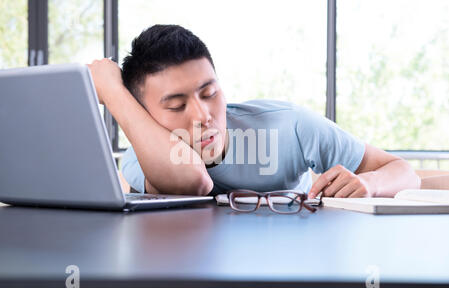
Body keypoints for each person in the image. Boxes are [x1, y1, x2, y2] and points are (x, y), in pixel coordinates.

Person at [87, 24, 420, 198]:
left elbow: (404, 171)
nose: (203, 116)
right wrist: (113, 92)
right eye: (176, 106)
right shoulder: (141, 158)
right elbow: (193, 181)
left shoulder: (289, 126)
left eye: (209, 93)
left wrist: (371, 183)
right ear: (145, 115)